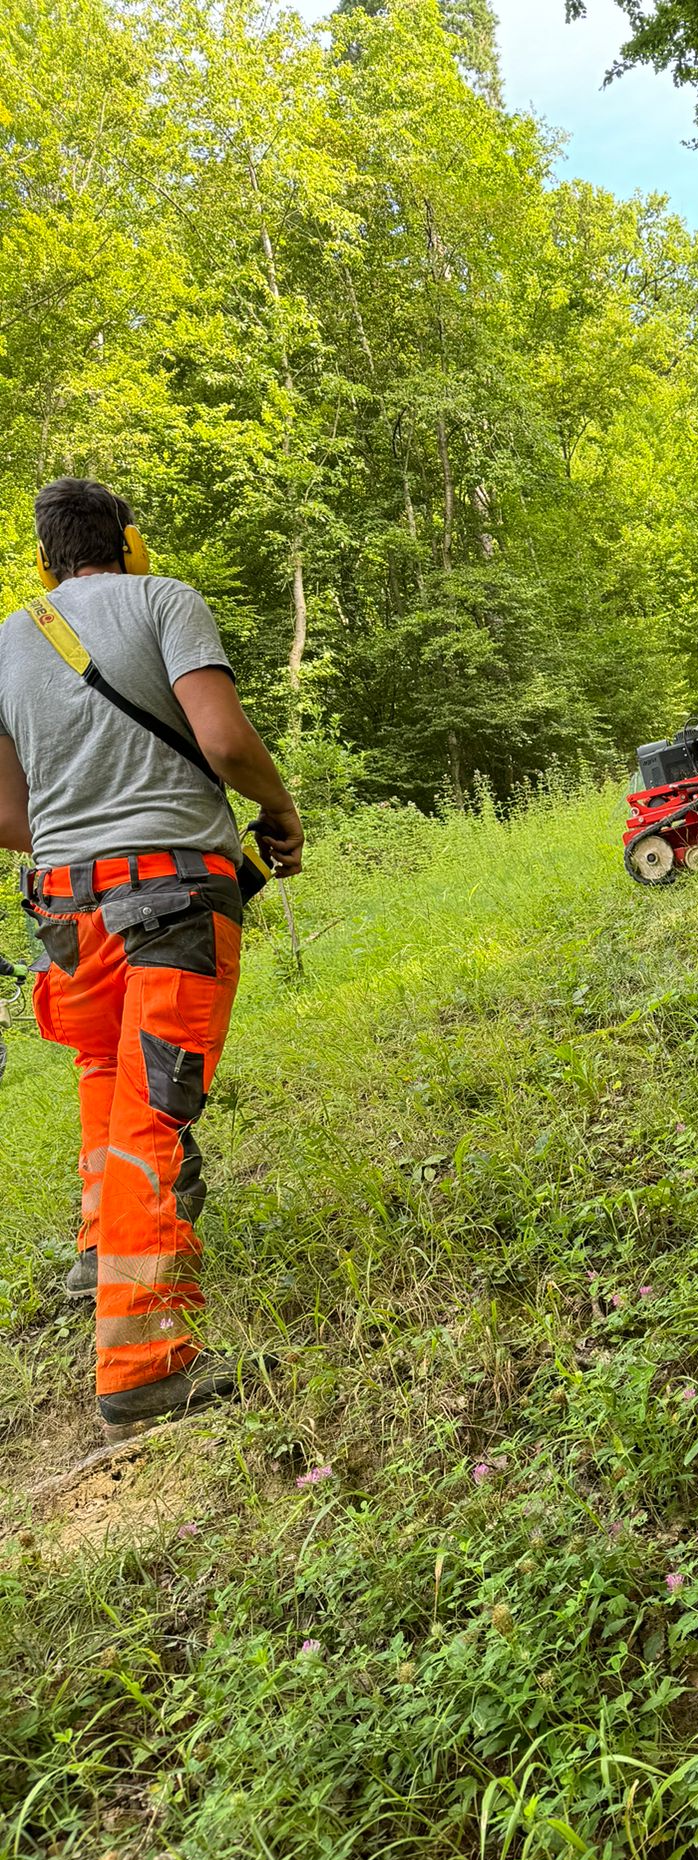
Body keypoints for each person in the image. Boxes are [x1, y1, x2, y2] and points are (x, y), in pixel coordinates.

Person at [0, 478, 303, 1439]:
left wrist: (75, 844)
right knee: (152, 1111)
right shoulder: (163, 600)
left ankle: (102, 1247)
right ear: (129, 543)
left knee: (104, 1070)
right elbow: (223, 740)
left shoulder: (7, 639)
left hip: (65, 905)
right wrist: (279, 808)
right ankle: (142, 1362)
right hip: (171, 895)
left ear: (44, 559)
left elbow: (5, 812)